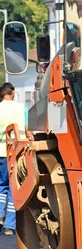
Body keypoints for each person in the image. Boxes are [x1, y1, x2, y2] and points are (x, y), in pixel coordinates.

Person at [0, 83, 27, 236]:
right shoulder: (21, 107)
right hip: (16, 154)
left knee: (1, 187)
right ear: (12, 92)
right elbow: (27, 129)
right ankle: (10, 225)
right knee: (13, 188)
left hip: (1, 155)